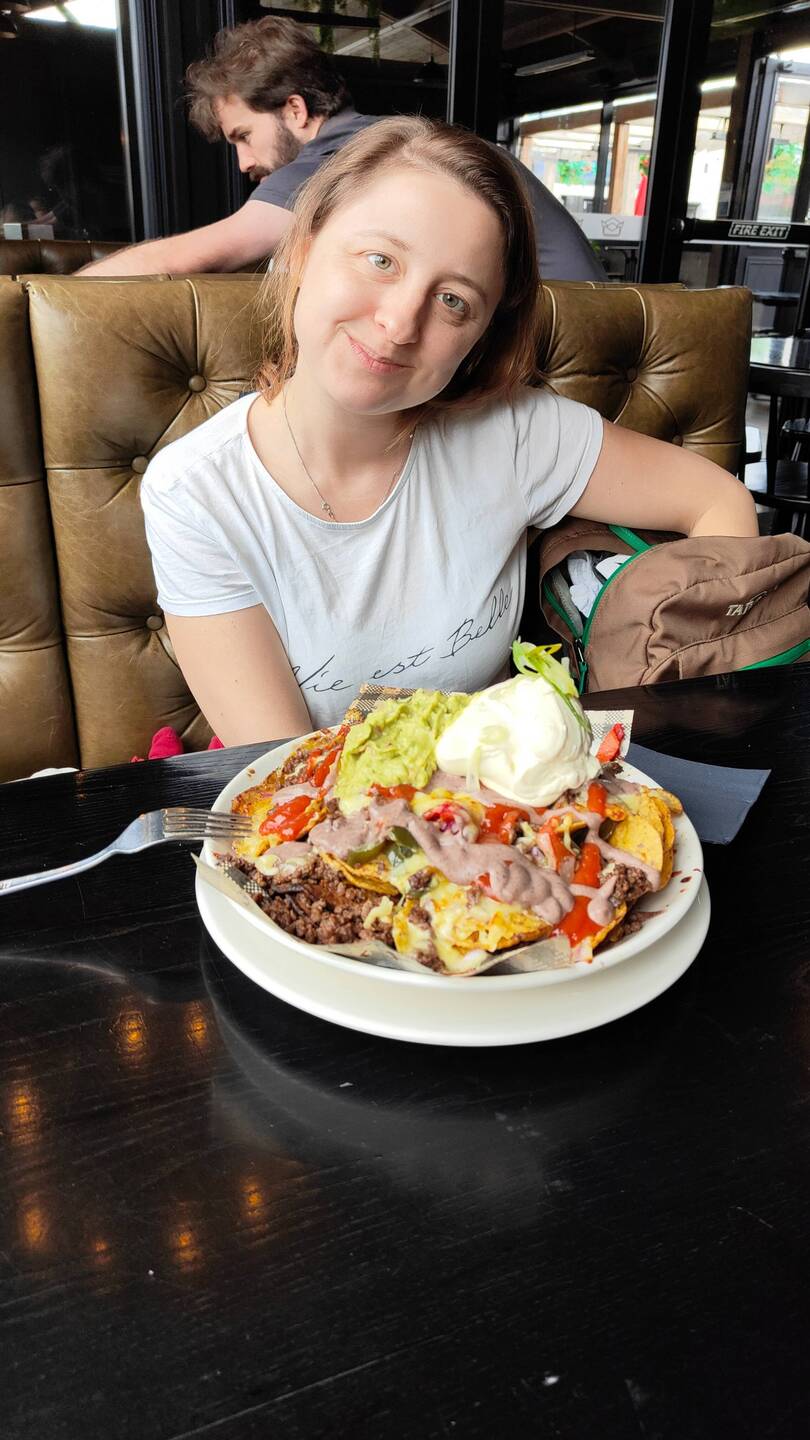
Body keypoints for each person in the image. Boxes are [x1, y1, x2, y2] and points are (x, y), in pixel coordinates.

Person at [139, 117, 757, 747]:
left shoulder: (516, 433)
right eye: (380, 260)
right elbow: (284, 768)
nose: (400, 323)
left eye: (454, 300)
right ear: (302, 250)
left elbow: (717, 500)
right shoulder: (196, 491)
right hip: (334, 820)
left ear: (480, 335)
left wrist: (668, 685)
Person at [80, 15, 605, 282]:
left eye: (243, 136)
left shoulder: (346, 157)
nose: (243, 163)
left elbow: (201, 255)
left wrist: (34, 296)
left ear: (294, 110)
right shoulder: (390, 141)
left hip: (556, 356)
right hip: (577, 336)